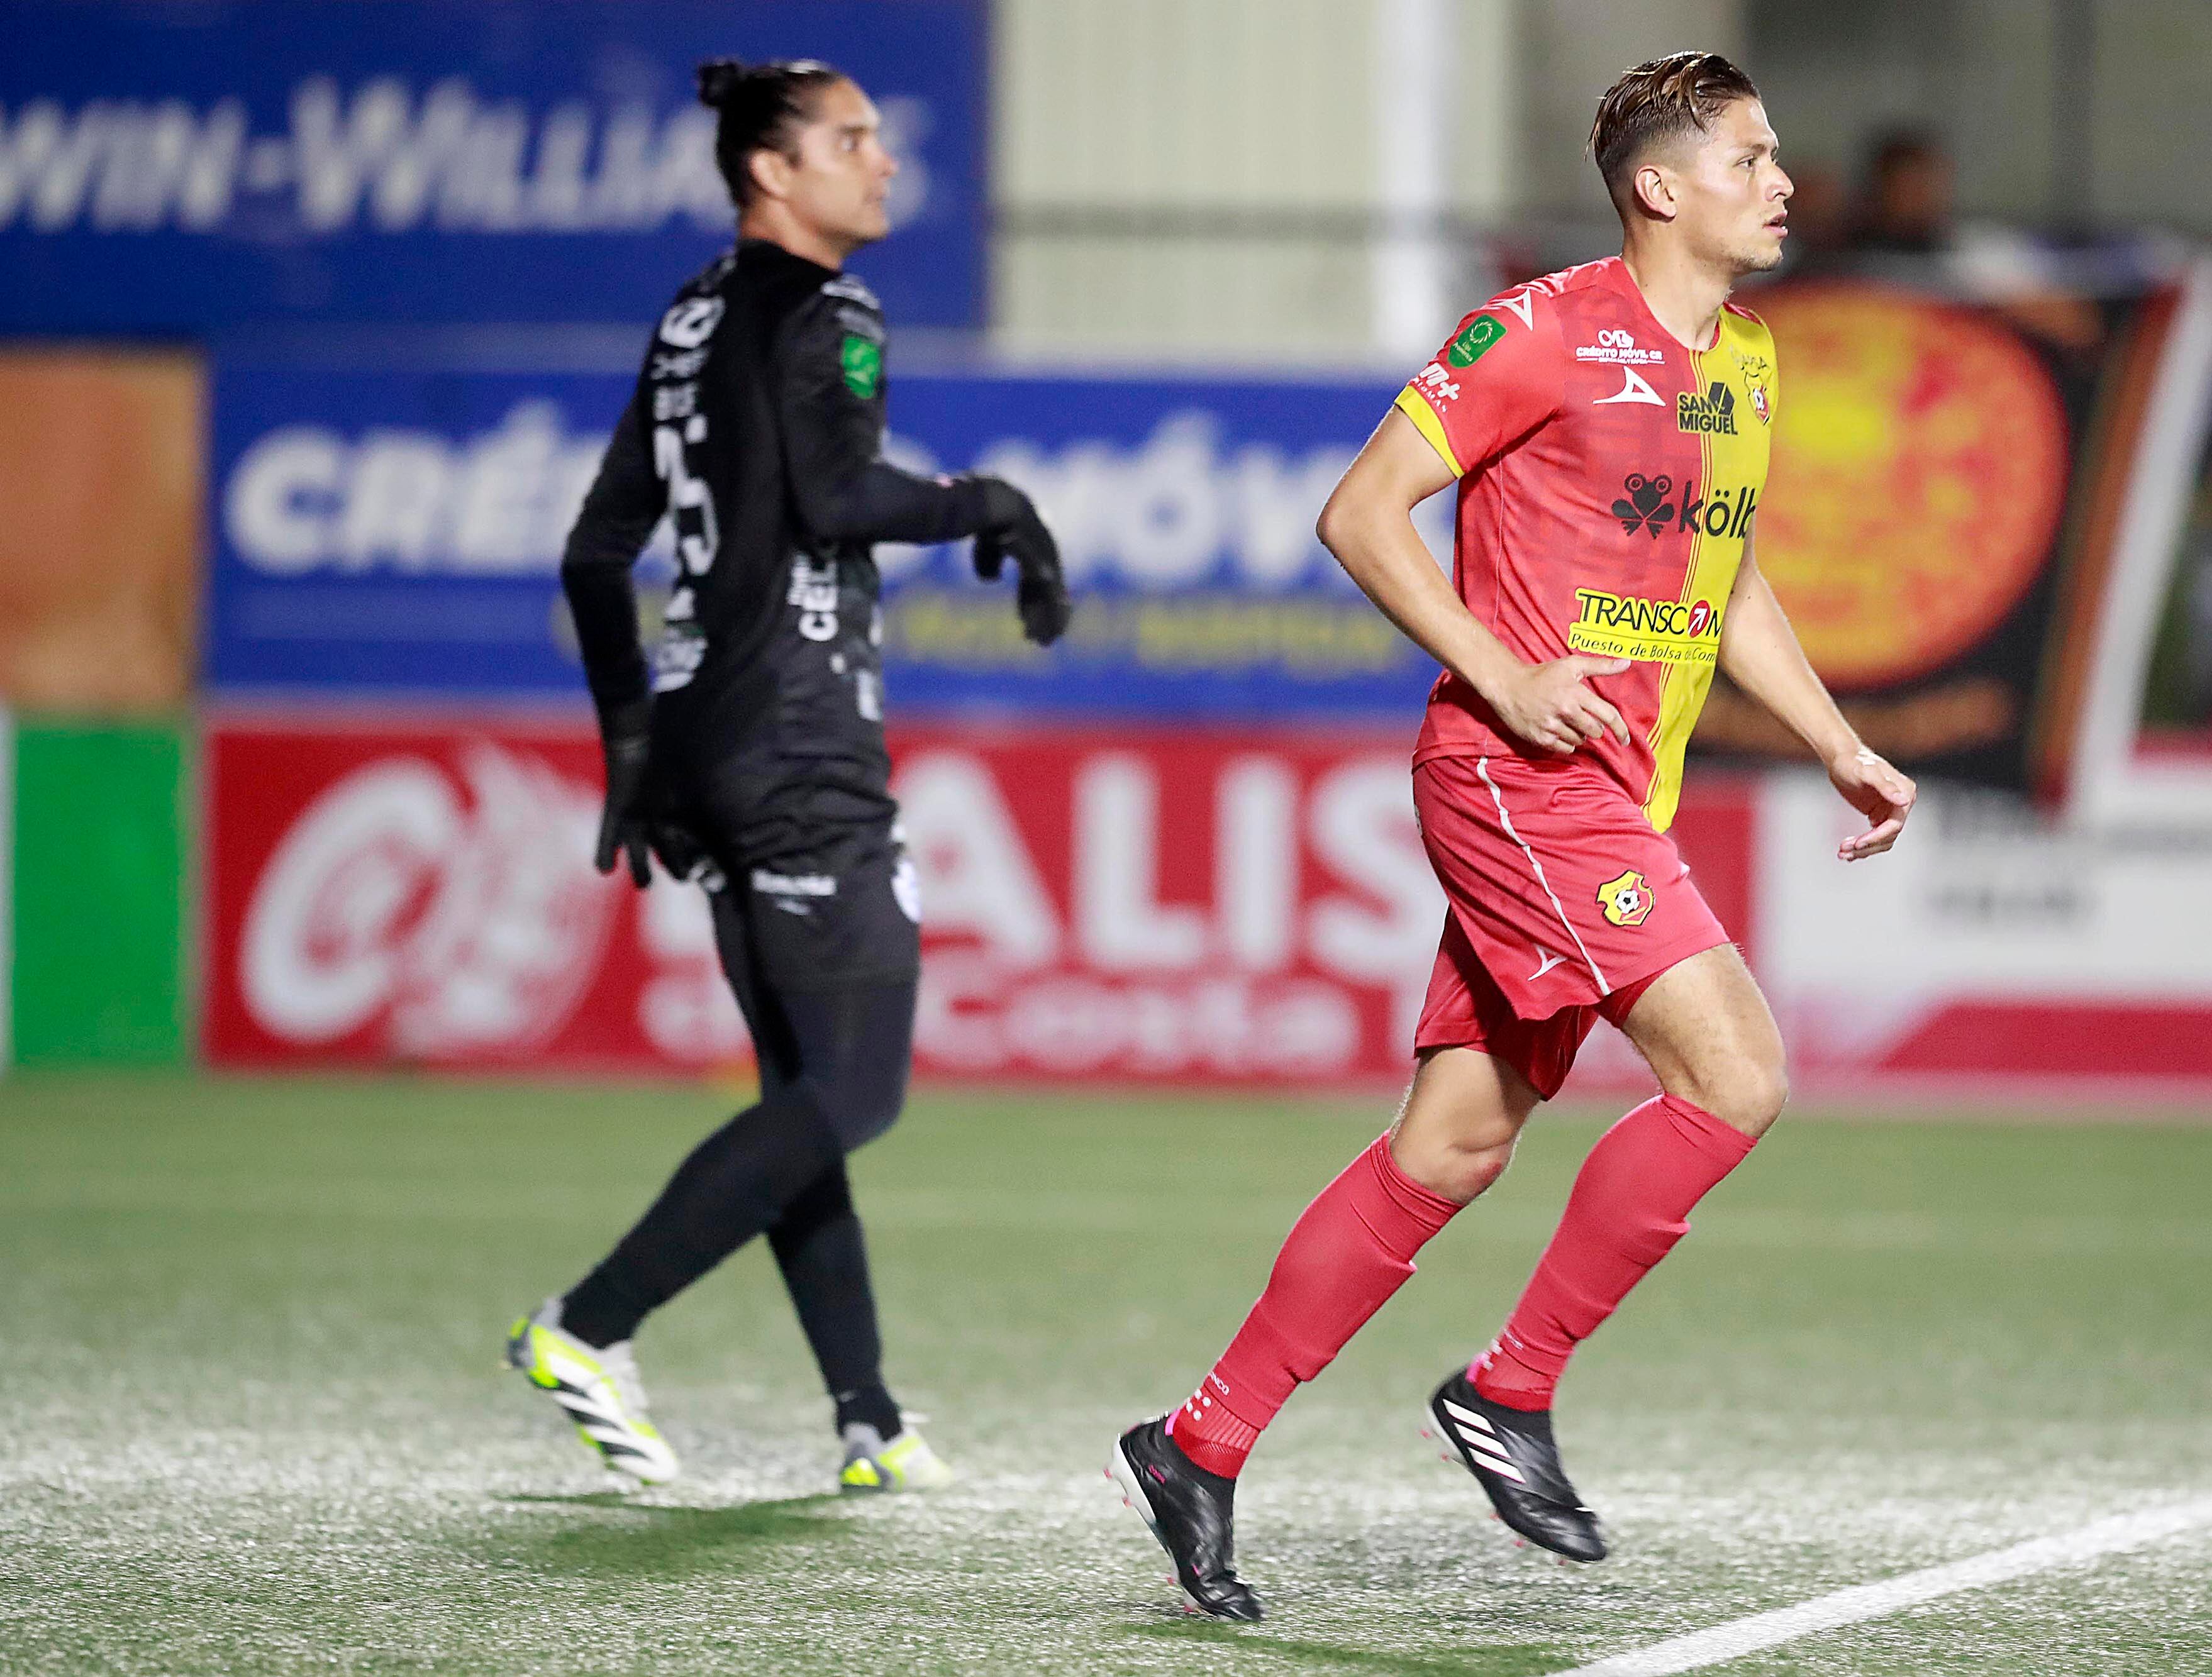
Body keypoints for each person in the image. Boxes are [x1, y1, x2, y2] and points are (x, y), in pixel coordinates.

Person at [1109, 52, 1916, 1620]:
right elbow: (1359, 510)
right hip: (1513, 776)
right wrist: (1499, 666)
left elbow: (1722, 581)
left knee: (1455, 1142)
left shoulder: (1744, 362)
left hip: (1601, 792)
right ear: (1659, 187)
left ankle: (1196, 1442)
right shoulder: (1538, 329)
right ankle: (1511, 1384)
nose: (1784, 185)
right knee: (1735, 1070)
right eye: (1751, 158)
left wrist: (1834, 742)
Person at [505, 57, 1068, 1492]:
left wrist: (633, 741)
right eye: (852, 141)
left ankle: (869, 1416)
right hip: (796, 735)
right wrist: (988, 501)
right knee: (857, 1091)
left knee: (805, 1090)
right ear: (773, 170)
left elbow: (592, 551)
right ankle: (589, 1324)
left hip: (701, 733)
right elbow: (837, 497)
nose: (882, 164)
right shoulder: (833, 314)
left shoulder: (691, 315)